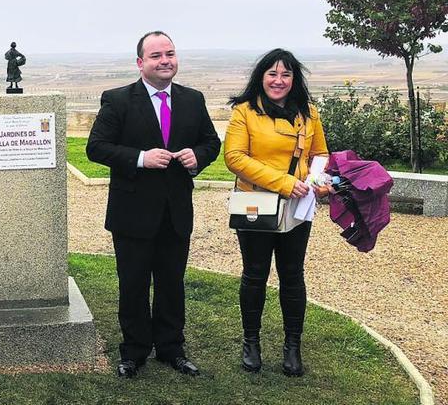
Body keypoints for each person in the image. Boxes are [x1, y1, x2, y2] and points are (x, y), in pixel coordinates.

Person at [86, 31, 221, 378]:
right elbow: (96, 147)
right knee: (132, 284)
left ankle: (171, 348)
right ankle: (133, 352)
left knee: (171, 284)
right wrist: (141, 158)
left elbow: (210, 142)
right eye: (156, 55)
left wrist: (198, 156)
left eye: (170, 54)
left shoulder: (193, 99)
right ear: (140, 63)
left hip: (176, 212)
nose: (165, 61)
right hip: (132, 214)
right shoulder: (117, 100)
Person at [223, 48, 328, 376]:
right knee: (255, 274)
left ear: (294, 79)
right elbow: (235, 157)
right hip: (256, 205)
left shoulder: (308, 113)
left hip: (298, 206)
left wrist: (318, 181)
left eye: (286, 74)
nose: (279, 80)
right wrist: (283, 182)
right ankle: (250, 343)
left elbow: (320, 154)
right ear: (262, 77)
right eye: (272, 74)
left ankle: (292, 347)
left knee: (293, 275)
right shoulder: (245, 112)